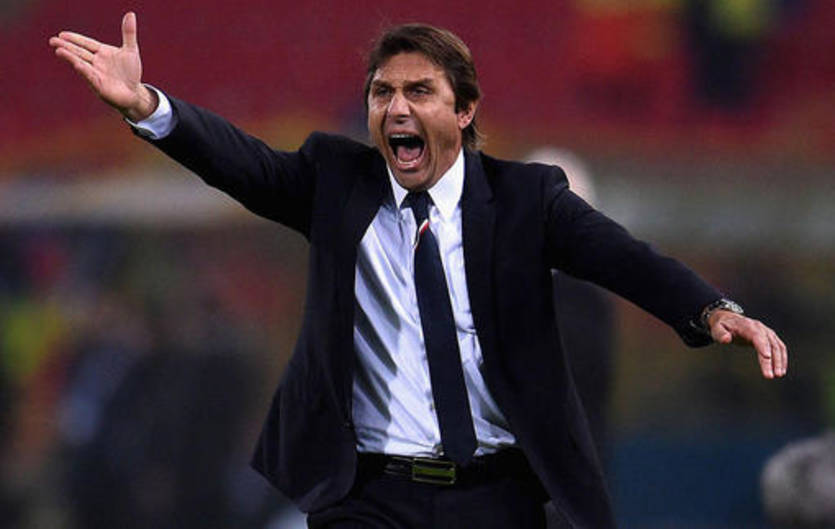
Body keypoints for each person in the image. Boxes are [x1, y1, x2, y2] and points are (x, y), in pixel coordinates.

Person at [49, 13, 788, 529]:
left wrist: (710, 309)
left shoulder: (527, 200)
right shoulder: (336, 183)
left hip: (497, 495)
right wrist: (147, 105)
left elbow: (622, 257)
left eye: (419, 92)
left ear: (464, 110)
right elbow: (242, 164)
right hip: (368, 494)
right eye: (383, 92)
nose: (396, 108)